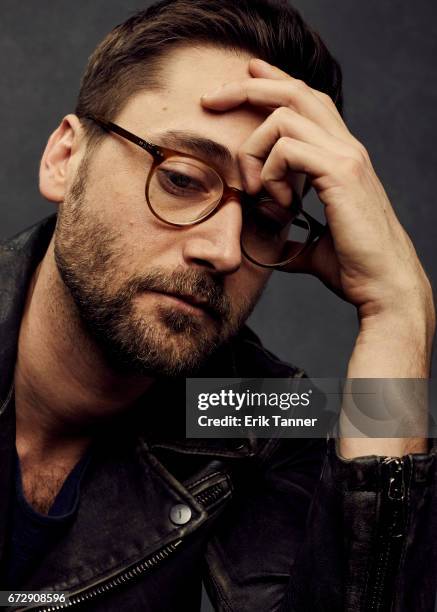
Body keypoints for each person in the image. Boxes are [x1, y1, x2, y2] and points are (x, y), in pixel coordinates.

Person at [0, 0, 435, 610]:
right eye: (180, 178)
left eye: (264, 218)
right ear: (65, 159)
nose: (224, 249)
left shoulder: (259, 414)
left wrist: (398, 316)